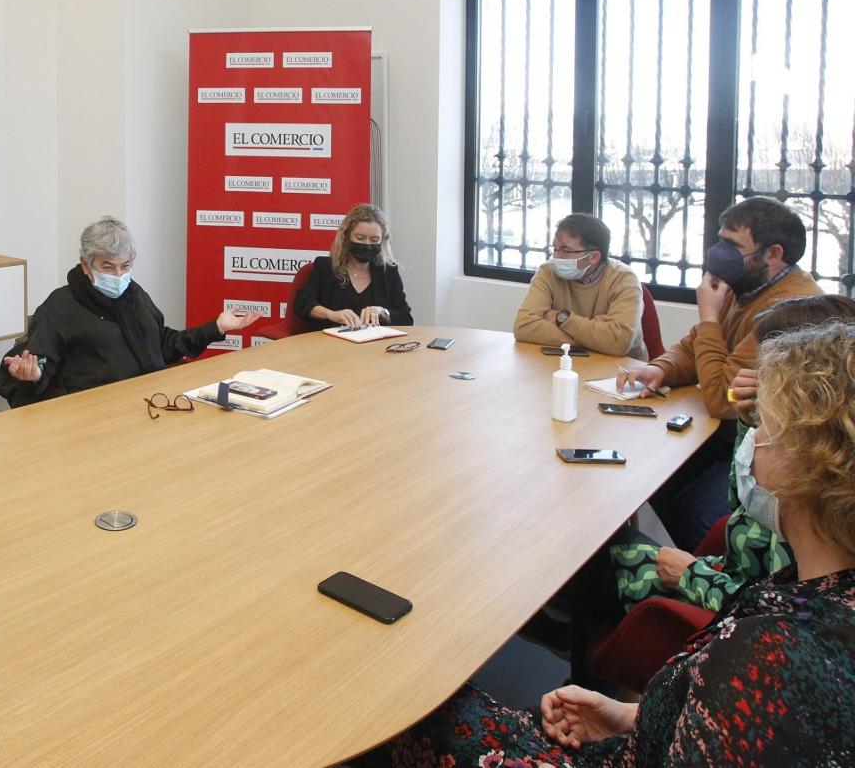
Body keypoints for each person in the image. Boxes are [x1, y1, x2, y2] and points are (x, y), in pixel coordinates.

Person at [355, 321, 855, 766]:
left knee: (400, 700)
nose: (750, 436)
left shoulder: (771, 663)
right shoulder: (808, 591)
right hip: (629, 733)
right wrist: (634, 716)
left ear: (807, 462)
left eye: (763, 423)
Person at [610, 294, 855, 615]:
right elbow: (741, 504)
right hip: (728, 574)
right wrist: (750, 419)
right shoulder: (794, 456)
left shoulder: (812, 510)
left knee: (599, 553)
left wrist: (691, 575)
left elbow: (773, 610)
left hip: (720, 599)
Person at [618, 196, 822, 550]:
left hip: (768, 448)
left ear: (773, 254)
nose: (718, 253)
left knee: (694, 513)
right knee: (645, 475)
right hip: (727, 436)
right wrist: (660, 368)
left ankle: (713, 582)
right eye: (719, 240)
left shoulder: (790, 310)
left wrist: (709, 316)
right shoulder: (744, 284)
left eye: (732, 245)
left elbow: (721, 398)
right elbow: (695, 345)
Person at [0, 216, 258, 407]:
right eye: (108, 268)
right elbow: (40, 365)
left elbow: (164, 344)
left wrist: (218, 327)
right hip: (95, 415)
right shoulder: (60, 307)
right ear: (86, 265)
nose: (119, 275)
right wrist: (33, 375)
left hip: (150, 401)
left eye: (126, 266)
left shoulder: (133, 294)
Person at [513, 213, 647, 358]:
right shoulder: (548, 271)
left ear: (593, 257)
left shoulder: (624, 279)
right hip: (562, 363)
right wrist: (597, 338)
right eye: (555, 248)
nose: (556, 257)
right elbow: (523, 327)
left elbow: (619, 342)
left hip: (622, 372)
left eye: (565, 250)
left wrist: (561, 318)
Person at [294, 203, 413, 329]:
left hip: (374, 345)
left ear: (382, 241)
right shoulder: (325, 267)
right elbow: (302, 303)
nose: (367, 244)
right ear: (346, 236)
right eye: (360, 238)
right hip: (331, 342)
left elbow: (406, 318)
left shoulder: (388, 271)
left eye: (374, 240)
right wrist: (331, 314)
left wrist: (383, 312)